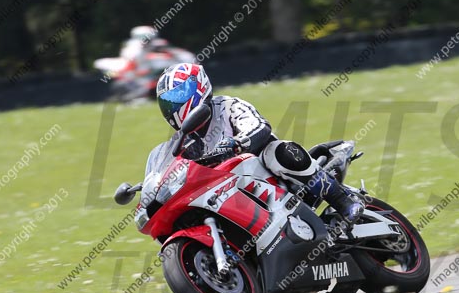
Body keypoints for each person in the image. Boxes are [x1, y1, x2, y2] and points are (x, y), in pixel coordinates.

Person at [151, 62, 364, 223]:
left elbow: (260, 127)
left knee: (277, 151)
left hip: (262, 169)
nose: (173, 106)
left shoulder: (227, 106)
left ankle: (343, 200)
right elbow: (175, 166)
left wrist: (238, 144)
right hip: (227, 191)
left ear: (198, 87)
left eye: (179, 95)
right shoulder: (184, 140)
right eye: (168, 101)